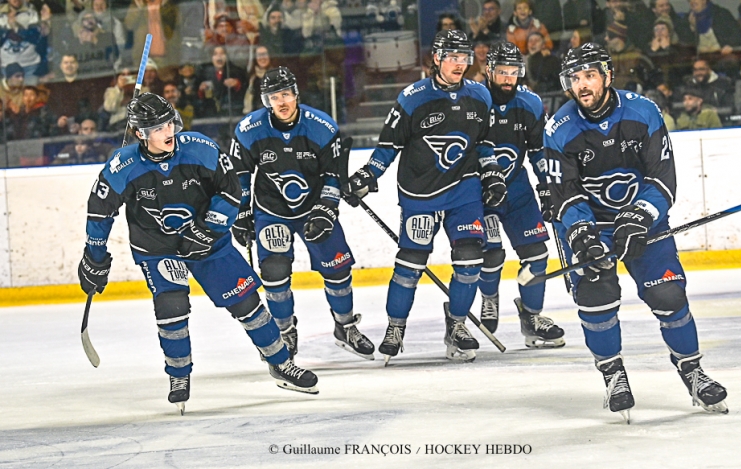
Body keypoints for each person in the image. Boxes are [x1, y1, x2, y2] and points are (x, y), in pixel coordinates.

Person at [78, 93, 318, 414]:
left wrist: (209, 230)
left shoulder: (199, 148)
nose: (168, 131)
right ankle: (179, 376)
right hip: (158, 248)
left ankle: (281, 363)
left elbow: (231, 189)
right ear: (140, 134)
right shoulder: (124, 166)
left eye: (169, 123)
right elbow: (99, 212)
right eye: (158, 128)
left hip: (209, 242)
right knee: (172, 305)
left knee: (246, 302)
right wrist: (94, 256)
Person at [543, 43, 728, 421]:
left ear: (607, 75)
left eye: (590, 75)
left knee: (669, 293)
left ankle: (692, 370)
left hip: (643, 223)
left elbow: (662, 179)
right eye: (575, 78)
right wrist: (582, 234)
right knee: (597, 297)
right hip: (592, 227)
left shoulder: (643, 112)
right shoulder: (559, 129)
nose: (583, 85)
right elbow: (564, 193)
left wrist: (638, 217)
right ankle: (613, 375)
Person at [344, 30, 506, 364]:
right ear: (436, 58)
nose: (459, 65)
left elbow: (484, 143)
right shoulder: (413, 97)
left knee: (471, 260)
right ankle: (395, 327)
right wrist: (367, 174)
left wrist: (491, 172)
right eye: (453, 58)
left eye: (464, 58)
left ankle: (457, 324)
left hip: (464, 190)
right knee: (410, 264)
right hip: (420, 192)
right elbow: (389, 145)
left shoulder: (480, 96)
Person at [230, 67, 375, 362]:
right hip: (271, 211)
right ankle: (284, 332)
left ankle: (345, 327)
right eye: (274, 97)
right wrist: (241, 211)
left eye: (285, 94)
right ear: (265, 100)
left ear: (296, 94)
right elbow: (240, 173)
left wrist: (326, 209)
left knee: (337, 268)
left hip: (315, 207)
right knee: (274, 272)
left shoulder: (320, 126)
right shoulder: (249, 130)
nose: (281, 102)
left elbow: (334, 174)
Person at [478, 42, 565, 348]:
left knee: (537, 255)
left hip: (518, 190)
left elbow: (538, 151)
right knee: (490, 255)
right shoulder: (473, 100)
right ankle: (489, 297)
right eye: (501, 71)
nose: (507, 78)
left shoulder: (529, 102)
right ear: (489, 70)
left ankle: (531, 316)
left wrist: (547, 188)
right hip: (481, 194)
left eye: (513, 72)